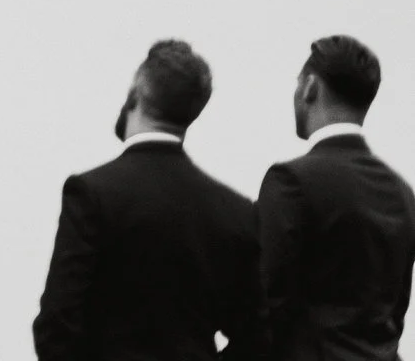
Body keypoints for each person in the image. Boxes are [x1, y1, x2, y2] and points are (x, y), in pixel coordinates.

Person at [33, 39, 260, 361]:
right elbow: (255, 335)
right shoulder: (235, 211)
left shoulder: (91, 193)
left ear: (134, 93)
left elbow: (56, 324)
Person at [257, 36, 415, 361]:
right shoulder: (401, 193)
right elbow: (396, 306)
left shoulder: (291, 182)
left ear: (310, 88)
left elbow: (268, 303)